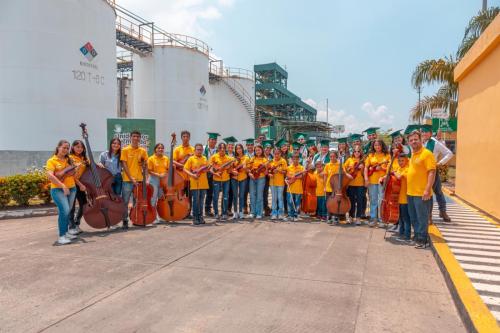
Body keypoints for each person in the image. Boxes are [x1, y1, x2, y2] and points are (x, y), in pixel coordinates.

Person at [406, 130, 436, 249]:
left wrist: (427, 190)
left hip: (421, 193)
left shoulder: (427, 154)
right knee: (413, 217)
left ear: (421, 140)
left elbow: (431, 172)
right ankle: (417, 236)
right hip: (410, 192)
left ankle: (423, 240)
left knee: (422, 217)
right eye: (411, 140)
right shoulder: (413, 154)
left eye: (415, 139)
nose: (413, 142)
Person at [46, 140, 78, 245]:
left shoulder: (69, 159)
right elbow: (50, 176)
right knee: (64, 210)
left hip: (72, 188)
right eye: (63, 147)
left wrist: (74, 169)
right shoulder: (52, 160)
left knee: (67, 212)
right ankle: (61, 236)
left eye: (67, 148)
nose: (65, 150)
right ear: (58, 147)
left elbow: (73, 174)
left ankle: (66, 232)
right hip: (58, 189)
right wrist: (62, 185)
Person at [420, 124, 454, 222]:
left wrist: (439, 163)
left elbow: (449, 153)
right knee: (426, 194)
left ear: (430, 133)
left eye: (426, 132)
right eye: (423, 132)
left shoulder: (435, 143)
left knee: (438, 192)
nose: (424, 134)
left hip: (432, 171)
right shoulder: (420, 142)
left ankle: (442, 211)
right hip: (421, 173)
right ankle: (428, 215)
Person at [120, 130, 148, 230]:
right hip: (128, 180)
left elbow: (145, 165)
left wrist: (146, 176)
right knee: (125, 201)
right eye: (134, 136)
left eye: (137, 136)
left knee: (137, 202)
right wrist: (131, 178)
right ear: (130, 137)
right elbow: (124, 164)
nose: (136, 138)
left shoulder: (143, 151)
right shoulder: (125, 150)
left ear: (140, 138)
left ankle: (136, 219)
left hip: (140, 180)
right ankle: (125, 220)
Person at [364, 139, 390, 227]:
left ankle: (382, 219)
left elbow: (390, 169)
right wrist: (366, 179)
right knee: (373, 200)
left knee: (381, 200)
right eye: (375, 145)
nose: (377, 147)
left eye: (379, 145)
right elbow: (366, 168)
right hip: (372, 181)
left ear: (382, 145)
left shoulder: (387, 156)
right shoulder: (370, 155)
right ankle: (373, 218)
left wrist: (382, 169)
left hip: (382, 181)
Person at [184, 144, 210, 225]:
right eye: (198, 149)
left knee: (201, 201)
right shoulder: (191, 159)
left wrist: (208, 168)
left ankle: (200, 216)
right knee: (195, 201)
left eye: (201, 149)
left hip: (204, 183)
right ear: (194, 150)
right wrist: (192, 175)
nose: (199, 151)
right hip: (195, 183)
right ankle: (195, 217)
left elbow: (206, 170)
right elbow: (185, 169)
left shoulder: (204, 158)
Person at [173, 130, 195, 218]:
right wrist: (182, 165)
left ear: (189, 138)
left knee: (189, 196)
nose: (185, 138)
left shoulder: (193, 149)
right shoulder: (177, 149)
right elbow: (173, 161)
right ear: (181, 138)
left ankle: (188, 212)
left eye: (187, 137)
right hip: (180, 177)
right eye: (184, 136)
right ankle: (180, 212)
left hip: (189, 177)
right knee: (180, 196)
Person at [68, 140, 88, 234]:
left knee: (84, 204)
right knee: (71, 206)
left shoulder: (84, 158)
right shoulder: (69, 158)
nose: (79, 149)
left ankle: (76, 223)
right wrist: (80, 185)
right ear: (73, 147)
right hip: (72, 183)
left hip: (80, 184)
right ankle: (71, 227)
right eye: (77, 147)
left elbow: (92, 167)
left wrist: (99, 165)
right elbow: (71, 175)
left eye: (81, 147)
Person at [210, 142, 234, 220]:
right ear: (218, 149)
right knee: (215, 197)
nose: (222, 149)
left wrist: (229, 167)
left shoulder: (229, 158)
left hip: (226, 180)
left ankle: (224, 213)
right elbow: (210, 168)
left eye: (224, 148)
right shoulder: (213, 157)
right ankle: (216, 213)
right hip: (216, 180)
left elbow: (230, 171)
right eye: (221, 148)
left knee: (225, 197)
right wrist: (215, 173)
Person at [147, 143, 169, 224]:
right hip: (153, 180)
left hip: (163, 181)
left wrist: (165, 174)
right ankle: (153, 218)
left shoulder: (166, 158)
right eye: (158, 148)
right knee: (153, 199)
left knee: (161, 199)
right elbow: (149, 170)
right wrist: (158, 175)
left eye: (162, 148)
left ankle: (160, 216)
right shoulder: (151, 159)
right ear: (155, 149)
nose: (160, 149)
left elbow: (168, 169)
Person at [344, 144, 365, 225]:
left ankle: (358, 217)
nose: (356, 153)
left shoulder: (363, 161)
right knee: (351, 201)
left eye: (358, 151)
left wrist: (362, 169)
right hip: (351, 183)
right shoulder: (349, 159)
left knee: (359, 201)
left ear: (360, 152)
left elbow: (364, 173)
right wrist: (347, 173)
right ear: (353, 152)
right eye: (355, 151)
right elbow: (343, 168)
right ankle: (351, 216)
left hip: (360, 184)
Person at [393, 154, 411, 243]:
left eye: (402, 161)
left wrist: (393, 172)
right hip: (398, 197)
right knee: (400, 217)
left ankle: (407, 235)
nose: (400, 162)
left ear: (407, 160)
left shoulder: (407, 169)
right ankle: (401, 232)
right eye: (399, 161)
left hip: (405, 198)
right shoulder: (399, 169)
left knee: (405, 218)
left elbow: (399, 176)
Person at [229, 143, 249, 220]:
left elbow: (248, 170)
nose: (238, 150)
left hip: (243, 178)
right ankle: (235, 212)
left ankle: (241, 212)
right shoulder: (233, 158)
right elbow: (230, 169)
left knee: (241, 195)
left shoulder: (246, 158)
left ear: (242, 149)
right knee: (235, 195)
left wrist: (245, 168)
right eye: (237, 149)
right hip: (234, 178)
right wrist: (233, 171)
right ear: (235, 150)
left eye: (240, 148)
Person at [248, 144, 267, 219]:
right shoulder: (252, 159)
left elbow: (266, 172)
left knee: (259, 196)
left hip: (261, 179)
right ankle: (253, 212)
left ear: (262, 150)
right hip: (252, 178)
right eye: (256, 150)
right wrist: (250, 174)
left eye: (259, 150)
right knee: (252, 195)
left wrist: (264, 168)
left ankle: (259, 213)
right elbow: (248, 169)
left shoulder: (264, 160)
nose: (257, 151)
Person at [268, 148, 287, 220]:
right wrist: (270, 174)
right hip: (272, 182)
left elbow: (285, 172)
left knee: (280, 198)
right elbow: (268, 171)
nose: (276, 155)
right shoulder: (271, 161)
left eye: (278, 154)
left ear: (280, 154)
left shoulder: (283, 161)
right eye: (275, 154)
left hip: (280, 183)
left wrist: (279, 170)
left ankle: (281, 213)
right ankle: (274, 213)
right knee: (274, 198)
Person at [204, 132, 220, 216]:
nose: (213, 141)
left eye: (214, 140)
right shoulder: (203, 149)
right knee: (203, 192)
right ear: (208, 140)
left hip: (214, 173)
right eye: (212, 139)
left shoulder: (218, 150)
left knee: (211, 192)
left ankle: (208, 209)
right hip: (204, 173)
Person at [286, 154, 305, 221]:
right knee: (290, 202)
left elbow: (302, 176)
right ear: (292, 160)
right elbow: (288, 176)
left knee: (297, 203)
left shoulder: (302, 168)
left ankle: (296, 215)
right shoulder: (288, 167)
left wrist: (294, 177)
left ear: (299, 160)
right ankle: (291, 215)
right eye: (294, 159)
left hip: (298, 188)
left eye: (297, 159)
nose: (295, 160)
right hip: (290, 188)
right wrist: (294, 177)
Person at [223, 136, 237, 215]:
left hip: (233, 177)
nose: (231, 147)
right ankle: (223, 209)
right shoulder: (223, 155)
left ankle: (229, 209)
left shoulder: (236, 155)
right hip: (225, 176)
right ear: (227, 146)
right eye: (229, 145)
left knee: (231, 193)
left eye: (232, 146)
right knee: (225, 193)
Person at [243, 138, 255, 215]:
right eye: (248, 145)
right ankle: (244, 207)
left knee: (253, 192)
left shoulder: (256, 153)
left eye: (251, 144)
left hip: (254, 175)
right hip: (245, 175)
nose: (250, 146)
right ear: (246, 146)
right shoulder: (244, 154)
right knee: (245, 192)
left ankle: (252, 208)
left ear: (253, 145)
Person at [262, 140, 274, 216]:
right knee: (264, 193)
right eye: (266, 148)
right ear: (264, 149)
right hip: (264, 177)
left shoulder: (272, 157)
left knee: (273, 193)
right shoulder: (261, 157)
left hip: (272, 177)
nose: (268, 150)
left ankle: (273, 208)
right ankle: (265, 208)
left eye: (269, 149)